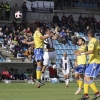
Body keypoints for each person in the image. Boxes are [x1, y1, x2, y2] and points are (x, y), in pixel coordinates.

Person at [22, 24, 53, 88]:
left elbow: (35, 41)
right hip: (38, 49)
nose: (41, 29)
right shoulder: (37, 32)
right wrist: (49, 35)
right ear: (38, 28)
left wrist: (27, 43)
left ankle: (38, 80)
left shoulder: (35, 33)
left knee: (40, 65)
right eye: (41, 27)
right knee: (39, 65)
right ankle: (38, 79)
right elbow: (42, 37)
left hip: (39, 49)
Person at [75, 29, 100, 100]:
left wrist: (81, 53)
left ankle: (97, 93)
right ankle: (86, 94)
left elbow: (90, 51)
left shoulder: (92, 41)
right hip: (92, 61)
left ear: (88, 35)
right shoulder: (95, 41)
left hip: (94, 62)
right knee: (86, 77)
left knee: (87, 78)